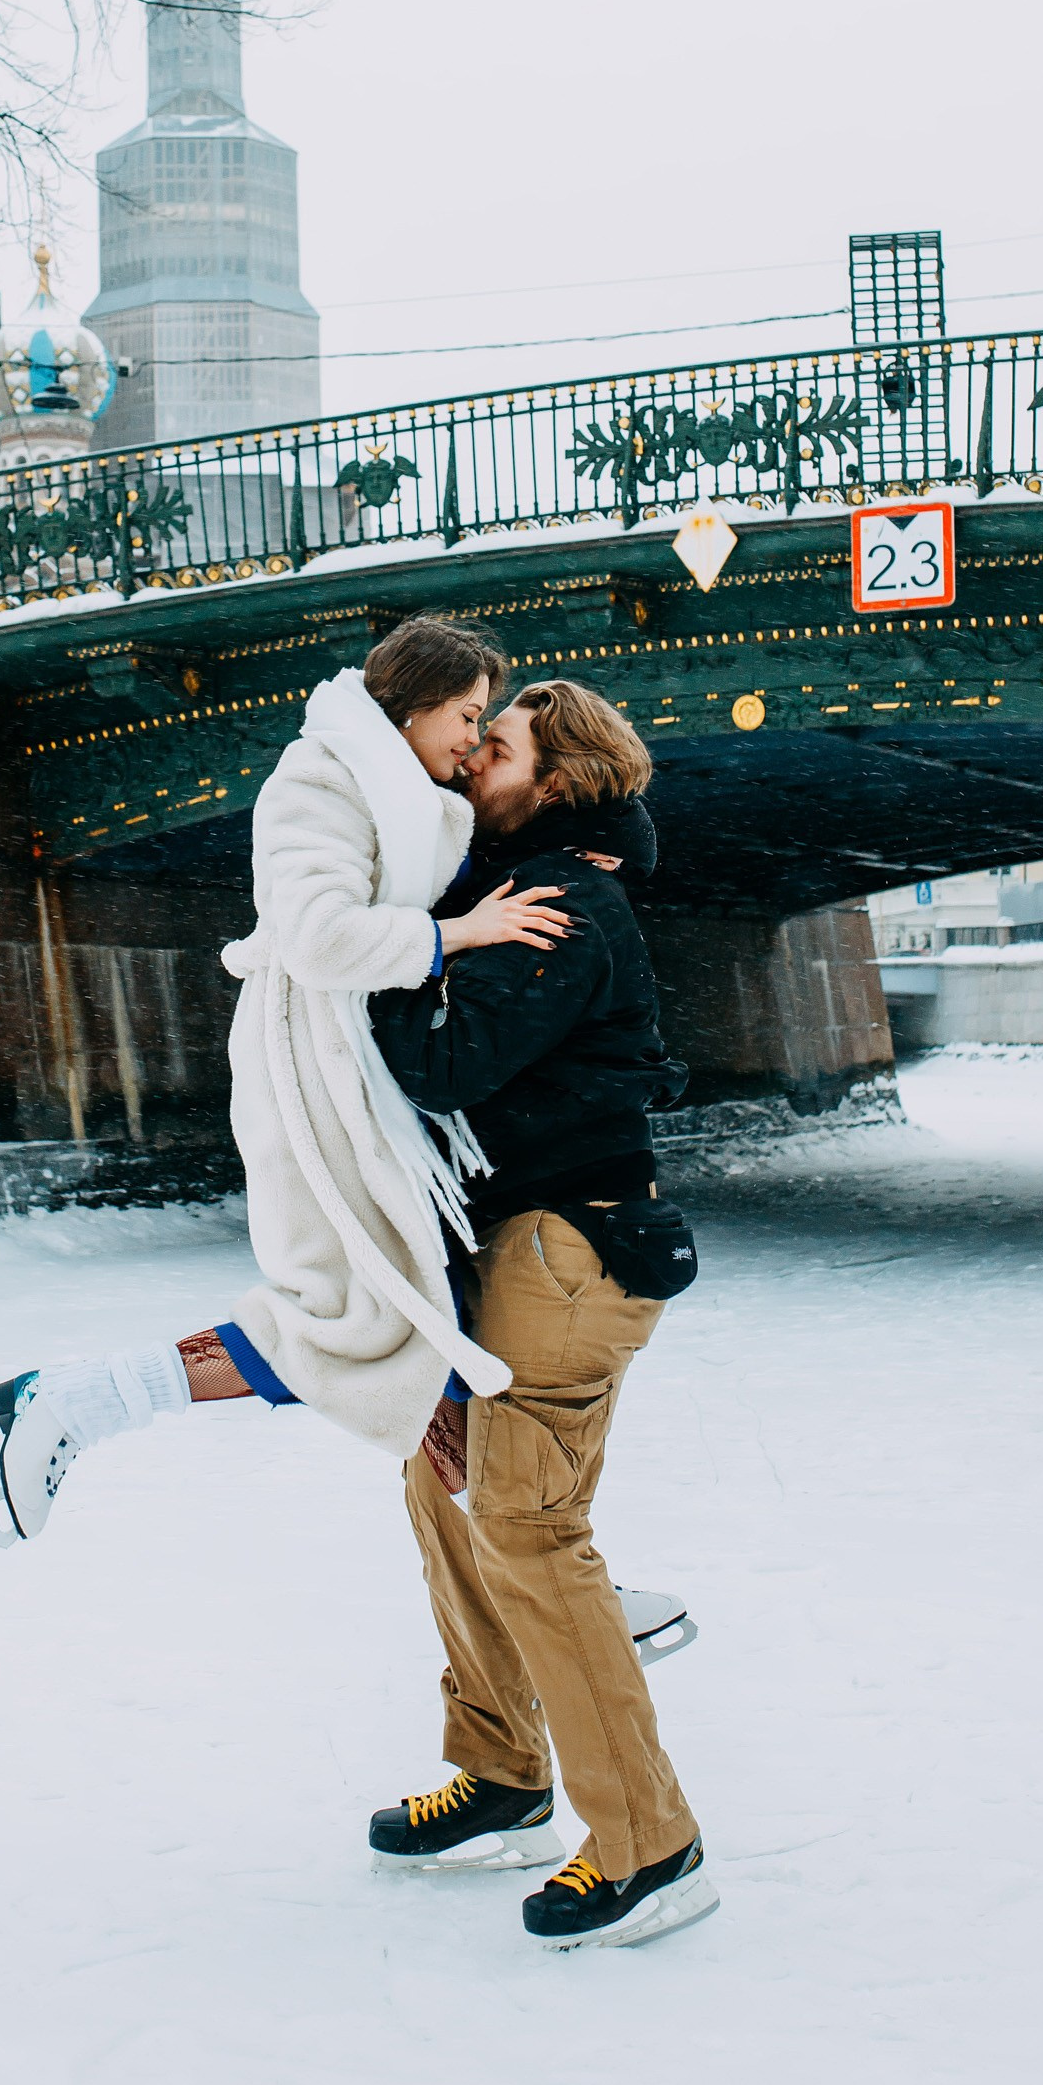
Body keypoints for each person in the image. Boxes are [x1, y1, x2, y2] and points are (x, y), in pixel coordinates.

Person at [0, 622, 686, 1665]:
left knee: (417, 1338)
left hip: (369, 1087)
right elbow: (317, 936)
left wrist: (576, 862)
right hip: (322, 1082)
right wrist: (454, 937)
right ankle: (67, 1399)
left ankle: (560, 1580)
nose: (471, 743)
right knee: (355, 1320)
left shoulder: (419, 799)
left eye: (490, 733)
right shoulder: (324, 779)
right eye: (469, 719)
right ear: (414, 706)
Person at [365, 679, 716, 1952]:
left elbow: (441, 1062)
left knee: (524, 1523)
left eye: (496, 746)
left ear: (553, 782)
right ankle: (502, 1773)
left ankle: (648, 1847)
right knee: (440, 1485)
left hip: (565, 1251)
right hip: (511, 1247)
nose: (471, 758)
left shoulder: (561, 903)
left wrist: (386, 958)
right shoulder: (509, 887)